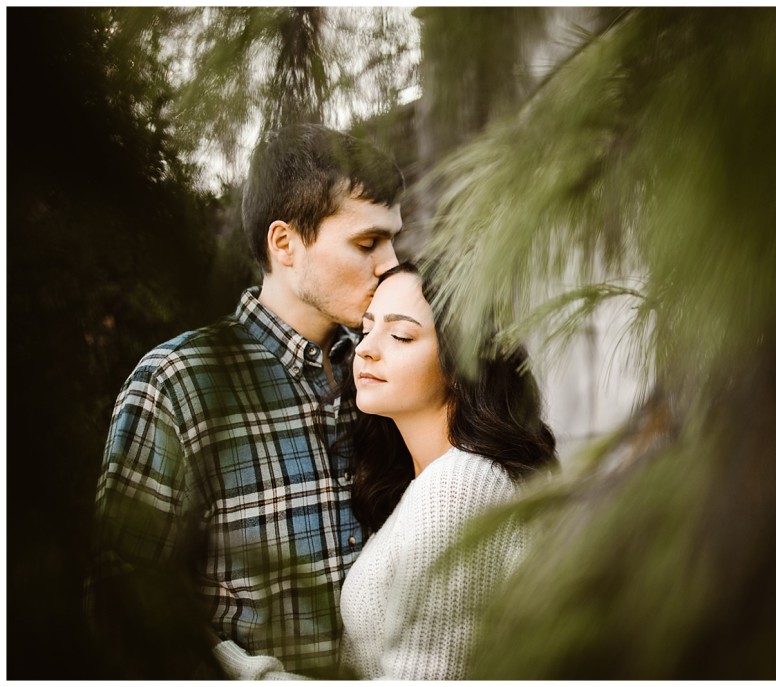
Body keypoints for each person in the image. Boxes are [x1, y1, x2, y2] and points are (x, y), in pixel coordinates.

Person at [85, 123, 404, 679]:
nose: (391, 264)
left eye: (394, 239)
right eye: (367, 243)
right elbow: (124, 603)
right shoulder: (179, 384)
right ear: (284, 244)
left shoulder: (391, 372)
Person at [337, 261, 558, 680]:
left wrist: (250, 676)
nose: (365, 348)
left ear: (461, 366)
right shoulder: (438, 478)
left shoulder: (457, 486)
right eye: (366, 329)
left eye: (400, 334)